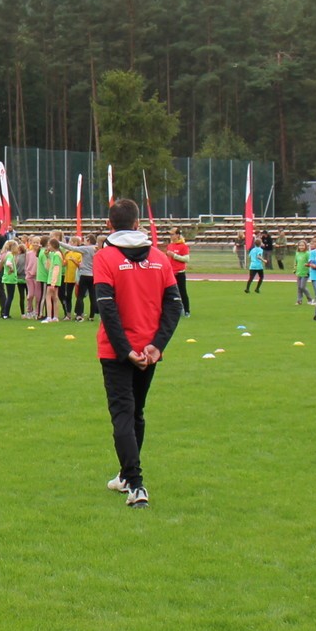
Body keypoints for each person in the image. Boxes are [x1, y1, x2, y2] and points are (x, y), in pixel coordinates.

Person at [93, 199, 183, 509]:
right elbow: (175, 305)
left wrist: (125, 351)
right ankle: (126, 476)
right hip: (148, 351)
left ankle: (135, 483)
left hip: (117, 351)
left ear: (109, 225)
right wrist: (157, 345)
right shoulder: (159, 257)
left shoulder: (105, 257)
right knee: (136, 413)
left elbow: (107, 309)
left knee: (123, 414)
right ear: (137, 223)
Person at [165, 230, 192, 315]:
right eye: (170, 234)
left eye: (172, 234)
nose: (171, 236)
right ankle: (173, 310)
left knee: (182, 292)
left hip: (179, 273)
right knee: (170, 292)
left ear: (177, 235)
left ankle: (187, 310)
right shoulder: (170, 246)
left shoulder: (183, 246)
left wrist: (174, 255)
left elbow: (186, 259)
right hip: (171, 273)